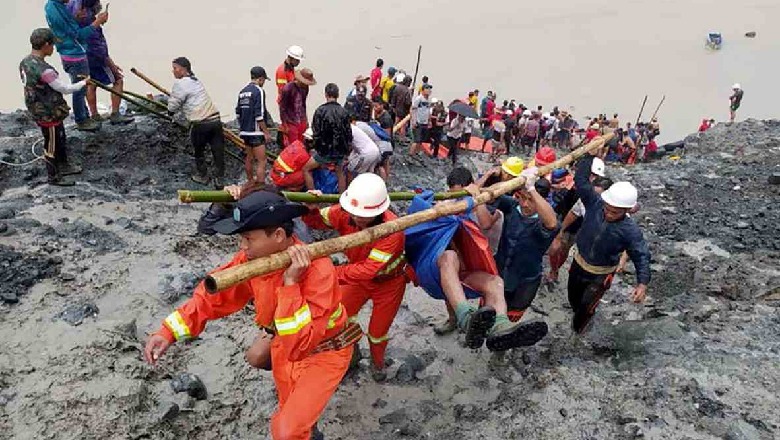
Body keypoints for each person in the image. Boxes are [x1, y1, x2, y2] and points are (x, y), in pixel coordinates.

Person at [144, 190, 359, 440]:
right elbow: (211, 298)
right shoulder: (253, 260)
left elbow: (300, 345)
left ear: (278, 235)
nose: (242, 246)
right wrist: (167, 332)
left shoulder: (319, 271)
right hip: (283, 344)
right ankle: (309, 428)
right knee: (289, 406)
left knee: (286, 431)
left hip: (322, 351)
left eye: (248, 238)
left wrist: (290, 285)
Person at [302, 173, 407, 381]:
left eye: (363, 215)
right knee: (338, 317)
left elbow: (369, 270)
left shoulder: (392, 231)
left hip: (389, 284)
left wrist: (330, 273)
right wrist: (309, 208)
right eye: (354, 212)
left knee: (378, 332)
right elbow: (316, 222)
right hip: (357, 280)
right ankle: (351, 352)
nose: (357, 218)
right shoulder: (342, 212)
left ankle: (378, 364)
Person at [568, 154, 651, 333]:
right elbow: (581, 180)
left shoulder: (630, 230)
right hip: (578, 264)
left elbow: (641, 255)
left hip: (600, 275)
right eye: (608, 209)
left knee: (586, 306)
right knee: (573, 299)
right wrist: (589, 156)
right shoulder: (594, 203)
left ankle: (578, 332)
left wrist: (642, 283)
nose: (609, 214)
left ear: (627, 210)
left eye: (615, 212)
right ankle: (579, 317)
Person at [490, 169, 559, 324]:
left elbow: (552, 223)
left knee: (512, 316)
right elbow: (491, 193)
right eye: (522, 198)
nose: (525, 204)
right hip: (500, 270)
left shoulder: (546, 219)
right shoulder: (512, 206)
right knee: (490, 309)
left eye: (531, 200)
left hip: (526, 279)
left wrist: (532, 189)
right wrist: (512, 181)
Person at [20, 28, 86, 186]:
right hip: (48, 112)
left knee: (60, 136)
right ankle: (53, 177)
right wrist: (84, 83)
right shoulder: (45, 70)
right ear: (45, 45)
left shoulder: (25, 62)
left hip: (37, 108)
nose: (54, 48)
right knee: (51, 142)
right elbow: (64, 88)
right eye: (52, 45)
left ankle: (64, 164)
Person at [44, 0, 108, 132]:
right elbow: (78, 35)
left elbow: (66, 26)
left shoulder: (52, 6)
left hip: (67, 52)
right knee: (79, 89)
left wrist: (75, 18)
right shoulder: (55, 8)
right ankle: (81, 120)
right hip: (74, 54)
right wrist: (97, 22)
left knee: (81, 87)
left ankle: (84, 115)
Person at [67, 0, 133, 125]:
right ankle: (115, 113)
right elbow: (98, 46)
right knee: (118, 79)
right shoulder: (89, 21)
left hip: (82, 55)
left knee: (91, 83)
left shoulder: (74, 12)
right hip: (96, 56)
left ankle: (94, 114)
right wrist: (110, 63)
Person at [546, 159, 608, 284]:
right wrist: (561, 229)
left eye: (596, 176)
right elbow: (569, 210)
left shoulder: (599, 192)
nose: (593, 178)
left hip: (578, 226)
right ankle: (553, 269)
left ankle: (555, 269)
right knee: (555, 247)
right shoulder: (574, 184)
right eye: (592, 175)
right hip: (563, 216)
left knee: (565, 249)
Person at [167, 57, 224, 188]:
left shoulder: (180, 84)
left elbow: (173, 104)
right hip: (215, 120)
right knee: (218, 151)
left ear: (183, 69)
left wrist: (170, 113)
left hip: (201, 123)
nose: (173, 71)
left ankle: (203, 175)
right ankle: (219, 179)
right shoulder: (196, 81)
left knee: (199, 150)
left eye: (175, 68)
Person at [305, 83, 352, 192]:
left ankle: (312, 197)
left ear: (325, 94)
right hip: (340, 151)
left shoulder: (320, 111)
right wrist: (346, 151)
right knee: (340, 173)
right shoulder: (344, 112)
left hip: (324, 151)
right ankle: (341, 200)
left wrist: (317, 148)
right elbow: (348, 133)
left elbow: (315, 132)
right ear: (338, 95)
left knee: (306, 169)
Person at [236, 66, 272, 185]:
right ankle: (260, 186)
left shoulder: (242, 92)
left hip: (245, 131)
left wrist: (243, 127)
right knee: (262, 161)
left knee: (249, 158)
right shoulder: (259, 91)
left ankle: (250, 182)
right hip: (256, 132)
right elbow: (259, 114)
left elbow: (238, 112)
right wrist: (266, 132)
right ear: (260, 79)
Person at [279, 67, 316, 146]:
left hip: (301, 119)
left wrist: (306, 120)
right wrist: (284, 125)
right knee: (293, 145)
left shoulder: (305, 88)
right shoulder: (288, 89)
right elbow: (282, 107)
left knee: (302, 144)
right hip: (291, 121)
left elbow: (303, 104)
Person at [409, 84, 432, 156]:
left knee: (421, 141)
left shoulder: (428, 100)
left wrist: (429, 121)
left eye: (429, 89)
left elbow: (428, 111)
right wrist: (413, 121)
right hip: (418, 122)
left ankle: (417, 154)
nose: (429, 90)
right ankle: (411, 154)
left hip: (424, 122)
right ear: (423, 90)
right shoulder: (418, 99)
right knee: (416, 140)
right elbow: (412, 110)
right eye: (427, 89)